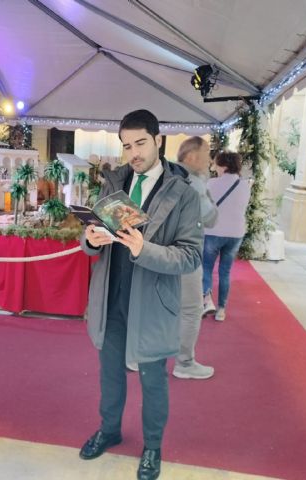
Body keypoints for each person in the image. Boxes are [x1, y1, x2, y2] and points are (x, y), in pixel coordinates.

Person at [79, 109, 203, 480]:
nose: (133, 153)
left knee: (153, 379)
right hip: (111, 296)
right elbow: (91, 237)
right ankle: (109, 430)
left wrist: (142, 248)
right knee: (109, 373)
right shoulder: (114, 183)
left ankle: (152, 447)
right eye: (127, 145)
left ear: (158, 140)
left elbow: (190, 256)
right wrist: (90, 239)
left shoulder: (183, 193)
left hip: (152, 302)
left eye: (140, 143)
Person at [172, 136, 218, 380]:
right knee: (191, 309)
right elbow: (211, 218)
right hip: (186, 255)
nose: (210, 160)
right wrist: (206, 190)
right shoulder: (195, 183)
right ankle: (185, 363)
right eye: (207, 153)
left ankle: (138, 356)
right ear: (192, 157)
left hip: (160, 253)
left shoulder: (167, 176)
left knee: (154, 306)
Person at [202, 151, 251, 321]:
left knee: (206, 267)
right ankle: (221, 310)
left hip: (213, 232)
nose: (214, 167)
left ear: (223, 165)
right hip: (235, 233)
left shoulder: (211, 183)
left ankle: (207, 301)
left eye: (216, 163)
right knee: (225, 272)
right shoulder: (244, 185)